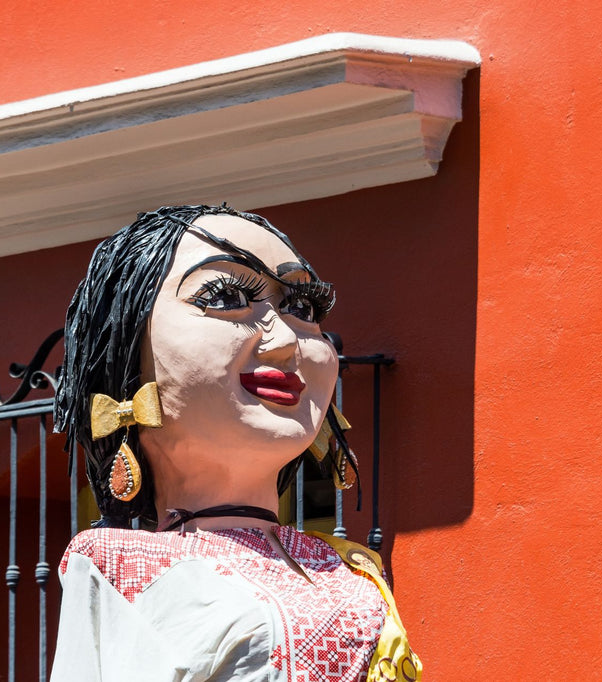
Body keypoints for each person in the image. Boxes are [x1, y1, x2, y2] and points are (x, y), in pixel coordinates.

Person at [51, 205, 421, 681]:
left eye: (303, 308)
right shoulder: (116, 566)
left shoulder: (351, 569)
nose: (286, 339)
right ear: (128, 352)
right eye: (226, 296)